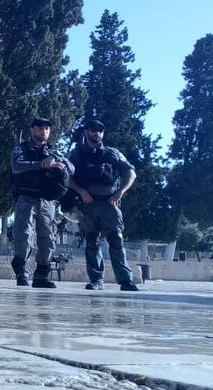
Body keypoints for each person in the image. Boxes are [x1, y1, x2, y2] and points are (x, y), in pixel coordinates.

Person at [69, 119, 140, 292]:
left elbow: (131, 173)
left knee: (116, 240)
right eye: (93, 130)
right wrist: (80, 191)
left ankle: (126, 280)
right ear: (86, 132)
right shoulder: (76, 154)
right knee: (92, 242)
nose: (97, 133)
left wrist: (121, 192)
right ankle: (96, 280)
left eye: (100, 130)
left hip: (109, 204)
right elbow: (66, 176)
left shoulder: (113, 153)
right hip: (87, 205)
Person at [10, 117, 74, 288]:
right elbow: (16, 166)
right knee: (23, 235)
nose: (44, 131)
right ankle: (21, 272)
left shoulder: (54, 151)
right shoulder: (21, 148)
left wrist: (57, 161)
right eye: (40, 128)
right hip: (26, 197)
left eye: (47, 128)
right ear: (32, 130)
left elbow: (71, 168)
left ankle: (42, 275)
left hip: (47, 201)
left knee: (47, 237)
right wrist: (41, 164)